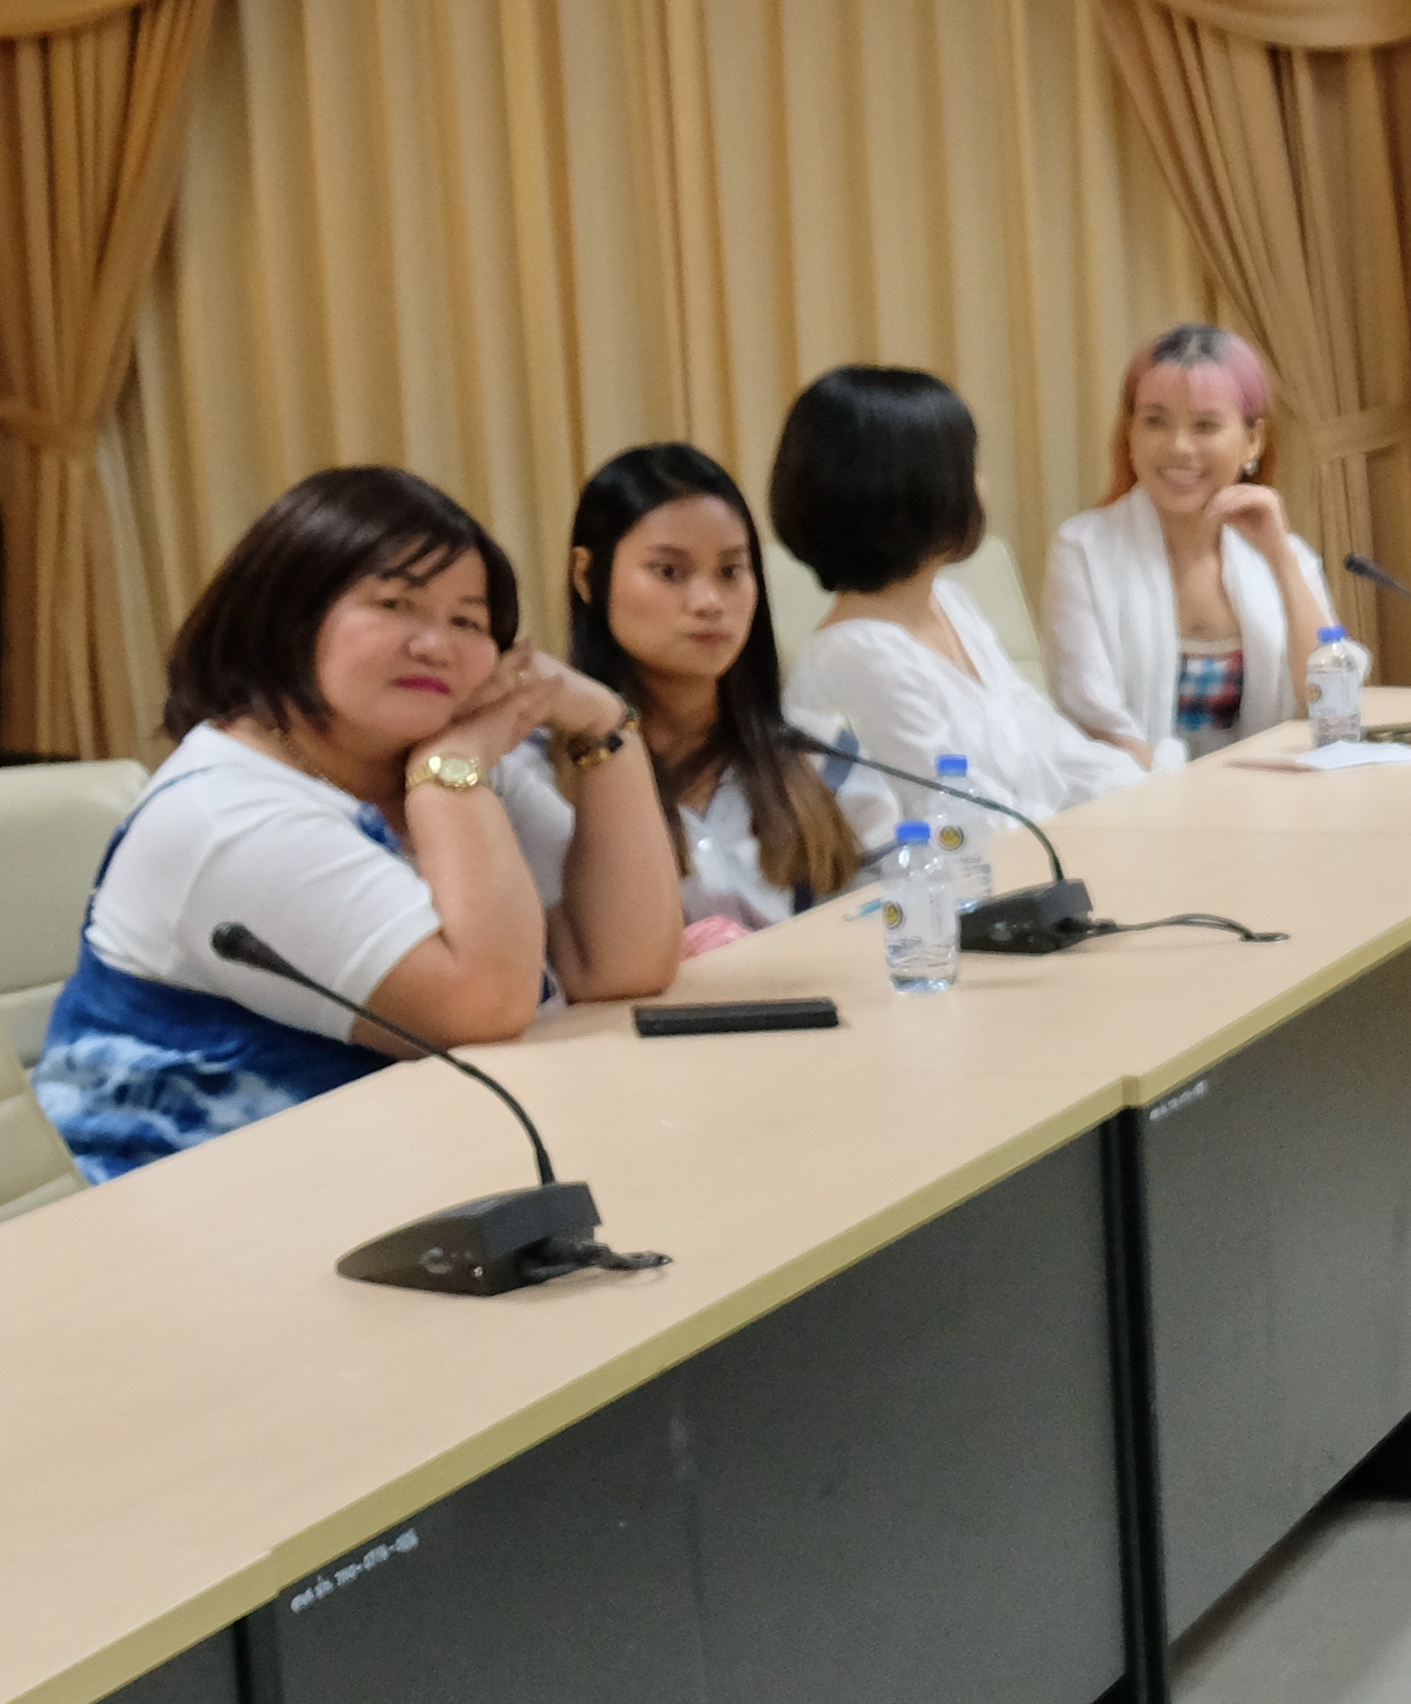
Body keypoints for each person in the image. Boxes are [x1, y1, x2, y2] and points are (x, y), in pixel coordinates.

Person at [32, 465, 676, 1183]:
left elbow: (626, 962)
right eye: (397, 604)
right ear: (288, 615)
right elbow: (485, 1003)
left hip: (400, 1187)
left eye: (468, 621)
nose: (437, 644)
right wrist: (452, 772)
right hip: (187, 1232)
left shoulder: (440, 764)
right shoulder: (226, 819)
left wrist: (604, 728)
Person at [511, 444, 873, 942]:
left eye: (730, 571)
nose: (708, 603)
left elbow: (897, 927)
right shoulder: (531, 770)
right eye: (669, 572)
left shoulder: (823, 756)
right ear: (585, 577)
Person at [769, 364, 1134, 821]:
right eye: (970, 467)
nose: (983, 486)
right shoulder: (855, 657)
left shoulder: (952, 603)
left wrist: (1145, 785)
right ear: (919, 491)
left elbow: (1050, 746)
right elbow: (967, 821)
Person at [1039, 322, 1339, 763]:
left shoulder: (1287, 555)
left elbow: (1328, 699)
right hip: (1135, 803)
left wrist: (1281, 558)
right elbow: (1095, 720)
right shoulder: (1083, 549)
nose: (1179, 447)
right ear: (1130, 433)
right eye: (1155, 422)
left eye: (1205, 426)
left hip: (1272, 801)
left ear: (1253, 440)